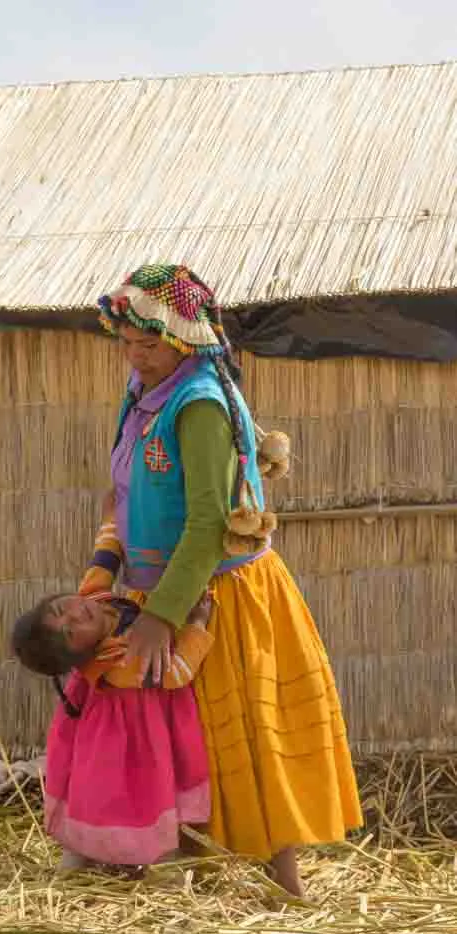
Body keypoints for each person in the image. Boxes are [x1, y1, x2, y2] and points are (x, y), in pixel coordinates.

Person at [96, 263, 363, 897]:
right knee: (179, 737)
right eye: (128, 345)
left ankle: (284, 879)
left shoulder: (201, 406)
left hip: (218, 598)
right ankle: (186, 860)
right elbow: (122, 491)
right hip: (156, 592)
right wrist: (108, 568)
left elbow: (210, 523)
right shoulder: (143, 395)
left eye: (150, 344)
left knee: (247, 728)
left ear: (188, 340)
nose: (136, 357)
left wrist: (162, 616)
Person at [12, 508, 214, 869]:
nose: (75, 615)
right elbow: (174, 674)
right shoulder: (119, 661)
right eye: (70, 633)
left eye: (63, 607)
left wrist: (115, 511)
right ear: (81, 654)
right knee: (129, 793)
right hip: (131, 739)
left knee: (97, 791)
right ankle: (145, 857)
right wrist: (197, 626)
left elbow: (105, 555)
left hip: (108, 732)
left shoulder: (96, 597)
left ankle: (85, 852)